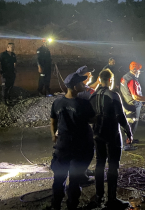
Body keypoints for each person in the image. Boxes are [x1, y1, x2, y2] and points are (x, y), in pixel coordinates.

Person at [49, 72, 96, 210]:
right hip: (79, 148)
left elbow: (52, 121)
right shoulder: (82, 103)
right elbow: (92, 120)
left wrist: (53, 136)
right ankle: (72, 206)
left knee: (59, 178)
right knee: (75, 180)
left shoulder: (57, 102)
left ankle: (55, 205)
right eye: (81, 83)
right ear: (75, 87)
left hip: (62, 146)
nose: (84, 85)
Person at [88, 69, 133, 209]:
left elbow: (89, 116)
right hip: (112, 135)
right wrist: (129, 132)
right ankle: (111, 199)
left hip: (97, 135)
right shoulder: (113, 96)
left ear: (100, 80)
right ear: (110, 80)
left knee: (99, 164)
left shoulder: (92, 96)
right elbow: (120, 116)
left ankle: (99, 196)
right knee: (113, 165)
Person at [119, 61, 145, 151]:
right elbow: (135, 96)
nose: (140, 72)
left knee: (128, 124)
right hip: (132, 106)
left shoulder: (125, 77)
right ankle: (127, 144)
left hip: (126, 104)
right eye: (139, 71)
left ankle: (130, 139)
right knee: (132, 124)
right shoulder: (132, 80)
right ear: (134, 70)